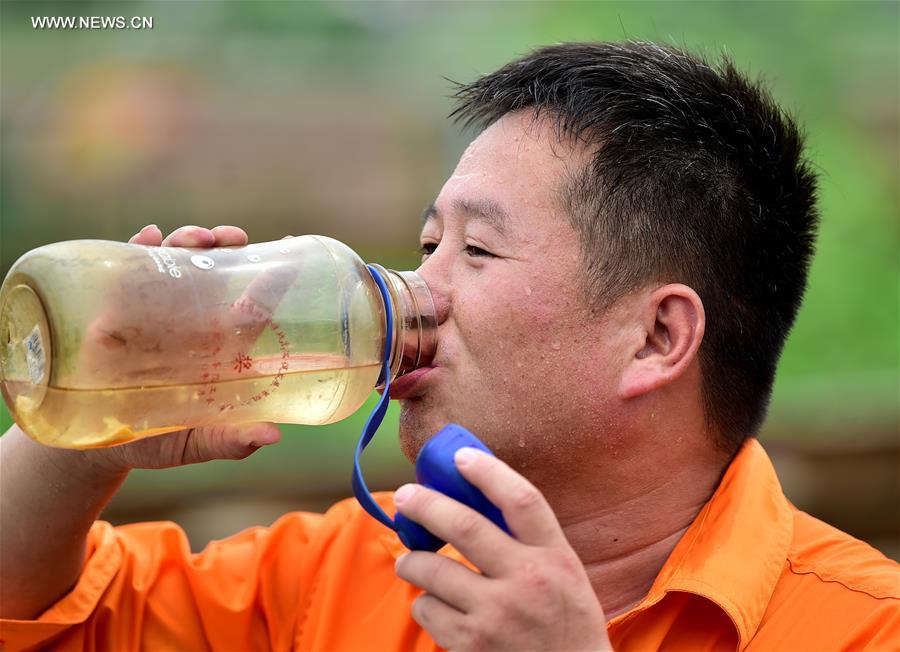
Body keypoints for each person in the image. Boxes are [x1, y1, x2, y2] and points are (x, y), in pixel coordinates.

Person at [1, 41, 897, 651]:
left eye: (477, 249)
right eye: (429, 242)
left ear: (656, 338)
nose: (421, 287)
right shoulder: (339, 570)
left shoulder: (862, 625)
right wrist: (89, 439)